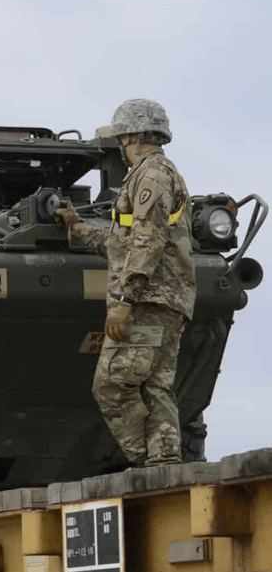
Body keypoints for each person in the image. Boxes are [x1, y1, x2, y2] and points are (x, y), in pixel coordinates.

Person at [55, 99, 195, 467]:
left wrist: (123, 300)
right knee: (156, 386)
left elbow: (147, 240)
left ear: (132, 136)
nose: (120, 146)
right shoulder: (159, 173)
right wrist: (77, 228)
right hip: (166, 299)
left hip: (147, 300)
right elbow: (125, 242)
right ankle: (163, 463)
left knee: (112, 386)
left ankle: (145, 459)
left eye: (122, 139)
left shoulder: (150, 176)